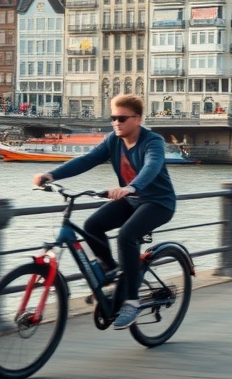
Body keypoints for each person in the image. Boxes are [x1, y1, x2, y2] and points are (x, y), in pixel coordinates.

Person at [32, 94, 176, 329]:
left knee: (127, 236)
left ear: (137, 119)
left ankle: (131, 301)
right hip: (131, 200)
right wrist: (51, 175)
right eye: (113, 118)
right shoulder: (114, 140)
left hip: (158, 203)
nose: (116, 123)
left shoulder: (153, 141)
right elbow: (88, 160)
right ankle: (113, 271)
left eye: (122, 118)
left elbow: (152, 165)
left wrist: (131, 187)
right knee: (92, 226)